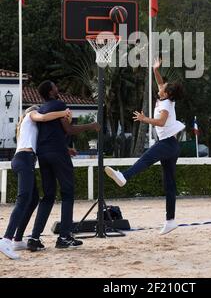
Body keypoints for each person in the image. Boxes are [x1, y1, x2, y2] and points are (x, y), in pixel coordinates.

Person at [105, 58, 185, 235]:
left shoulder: (166, 104)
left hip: (168, 144)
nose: (161, 87)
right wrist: (156, 69)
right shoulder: (166, 98)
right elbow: (159, 81)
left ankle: (124, 176)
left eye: (163, 87)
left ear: (166, 93)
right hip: (171, 145)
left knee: (146, 159)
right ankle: (170, 221)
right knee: (169, 184)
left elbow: (161, 122)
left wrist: (144, 119)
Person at [27, 80, 100, 251]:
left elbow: (49, 134)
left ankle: (34, 238)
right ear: (51, 92)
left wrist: (66, 148)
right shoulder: (59, 104)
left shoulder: (41, 109)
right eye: (55, 86)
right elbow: (69, 130)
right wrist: (91, 126)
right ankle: (64, 237)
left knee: (48, 196)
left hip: (43, 155)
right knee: (68, 193)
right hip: (57, 154)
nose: (57, 88)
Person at [0, 105, 71, 260]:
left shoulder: (31, 128)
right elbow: (44, 117)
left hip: (25, 160)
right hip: (24, 160)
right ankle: (6, 239)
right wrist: (63, 112)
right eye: (40, 110)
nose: (42, 112)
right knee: (23, 199)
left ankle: (18, 240)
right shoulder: (31, 114)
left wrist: (65, 149)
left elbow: (45, 145)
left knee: (32, 200)